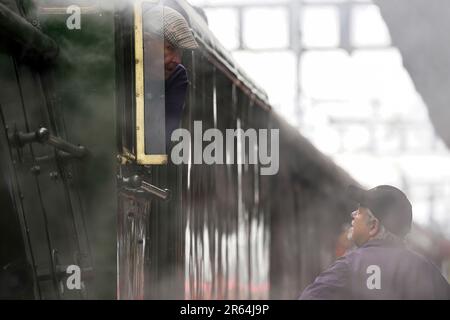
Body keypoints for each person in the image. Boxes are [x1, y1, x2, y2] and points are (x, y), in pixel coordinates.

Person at [299, 185, 450, 300]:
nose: (353, 215)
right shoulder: (426, 270)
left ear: (373, 226)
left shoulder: (350, 265)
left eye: (359, 211)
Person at [143, 5, 198, 148]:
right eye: (170, 48)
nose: (177, 60)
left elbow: (163, 136)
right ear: (146, 42)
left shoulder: (177, 76)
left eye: (180, 53)